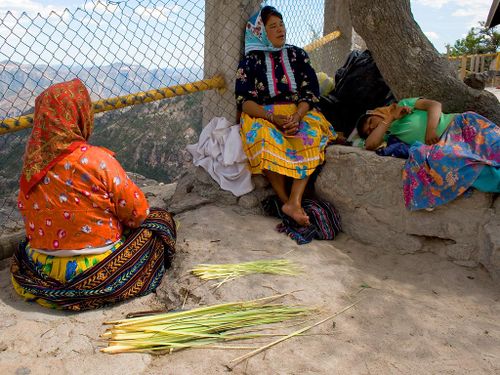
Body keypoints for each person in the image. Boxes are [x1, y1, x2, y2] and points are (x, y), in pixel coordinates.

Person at [11, 79, 176, 311]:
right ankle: (91, 288)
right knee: (160, 221)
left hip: (41, 267)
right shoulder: (98, 160)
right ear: (80, 114)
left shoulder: (32, 166)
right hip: (97, 269)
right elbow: (137, 214)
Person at [235, 6, 336, 226]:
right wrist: (272, 118)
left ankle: (295, 200)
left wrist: (298, 116)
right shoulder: (250, 61)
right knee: (263, 137)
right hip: (265, 115)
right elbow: (245, 102)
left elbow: (310, 92)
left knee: (311, 133)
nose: (280, 29)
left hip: (297, 111)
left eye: (281, 24)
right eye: (273, 26)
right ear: (261, 34)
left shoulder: (297, 55)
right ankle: (285, 201)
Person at [356, 97, 499, 210]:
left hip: (459, 124)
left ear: (374, 113)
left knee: (495, 146)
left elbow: (434, 105)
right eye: (369, 130)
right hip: (447, 144)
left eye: (370, 121)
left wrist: (430, 130)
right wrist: (390, 118)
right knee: (466, 164)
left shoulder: (405, 103)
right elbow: (370, 144)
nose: (372, 127)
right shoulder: (388, 134)